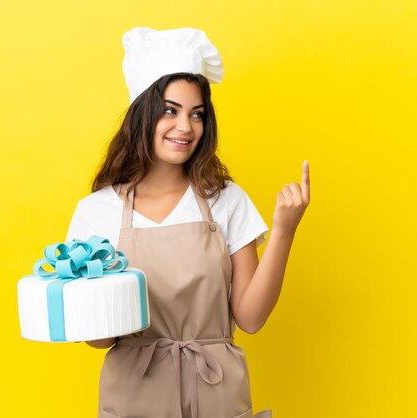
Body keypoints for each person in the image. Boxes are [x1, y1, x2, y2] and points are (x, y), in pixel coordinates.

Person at [66, 27, 310, 418]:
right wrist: (85, 297)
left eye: (196, 114)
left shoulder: (225, 200)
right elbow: (99, 341)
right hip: (135, 397)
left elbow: (250, 318)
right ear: (142, 113)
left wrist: (284, 231)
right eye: (169, 110)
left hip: (217, 394)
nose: (185, 127)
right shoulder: (96, 212)